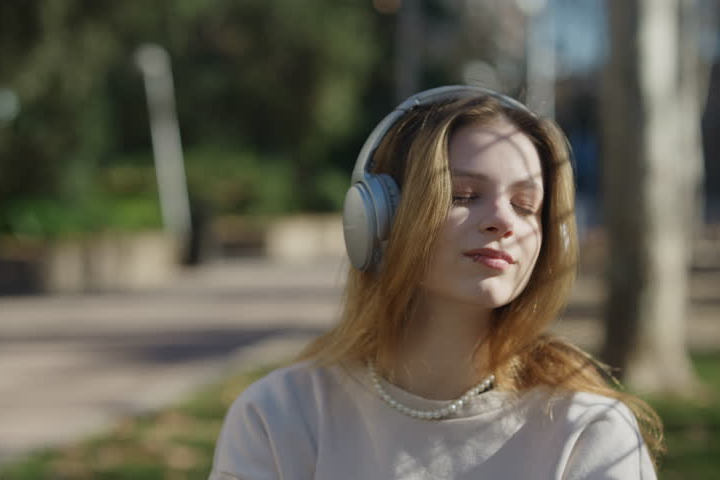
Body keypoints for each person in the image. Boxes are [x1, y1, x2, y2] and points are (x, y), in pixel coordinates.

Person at [208, 86, 663, 479]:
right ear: (377, 219)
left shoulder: (587, 432)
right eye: (464, 195)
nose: (504, 221)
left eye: (526, 206)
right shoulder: (279, 417)